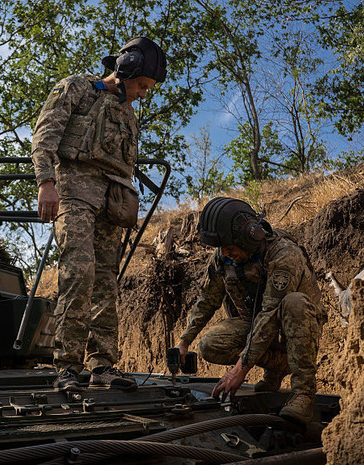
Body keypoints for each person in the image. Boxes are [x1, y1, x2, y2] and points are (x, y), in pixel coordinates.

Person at [31, 37, 167, 391]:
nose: (143, 93)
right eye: (142, 85)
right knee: (79, 273)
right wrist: (47, 183)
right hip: (73, 194)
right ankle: (67, 367)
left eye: (148, 88)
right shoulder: (77, 88)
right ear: (127, 70)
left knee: (107, 282)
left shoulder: (129, 113)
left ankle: (102, 365)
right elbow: (44, 136)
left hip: (112, 204)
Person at [176, 197, 326, 423]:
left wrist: (240, 370)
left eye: (229, 247)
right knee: (210, 344)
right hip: (257, 324)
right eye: (221, 248)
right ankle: (279, 367)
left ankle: (303, 393)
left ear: (250, 236)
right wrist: (185, 341)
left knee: (294, 302)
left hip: (294, 326)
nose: (225, 253)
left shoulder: (284, 254)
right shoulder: (223, 259)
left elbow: (269, 313)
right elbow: (207, 299)